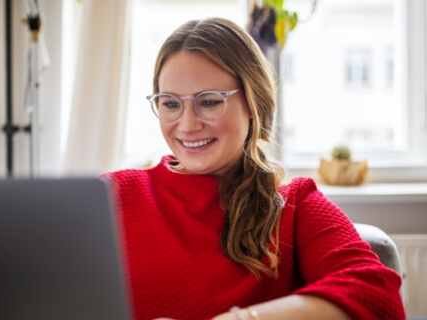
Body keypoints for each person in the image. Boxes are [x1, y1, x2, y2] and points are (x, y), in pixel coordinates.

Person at [105, 17, 405, 320]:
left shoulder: (295, 206)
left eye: (208, 102)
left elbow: (379, 297)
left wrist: (239, 319)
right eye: (170, 104)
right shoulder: (111, 195)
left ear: (252, 103)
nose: (187, 124)